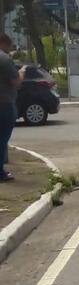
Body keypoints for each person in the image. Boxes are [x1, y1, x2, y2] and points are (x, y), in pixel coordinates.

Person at [0, 34, 22, 182]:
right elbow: (16, 82)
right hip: (4, 103)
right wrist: (22, 73)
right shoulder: (5, 59)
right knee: (2, 138)